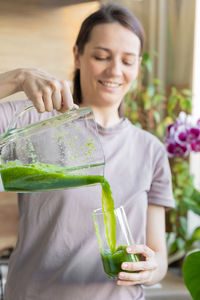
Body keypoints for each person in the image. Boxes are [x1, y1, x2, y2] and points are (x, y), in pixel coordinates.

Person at [0, 4, 174, 300]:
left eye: (128, 61)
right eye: (101, 56)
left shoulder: (151, 150)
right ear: (78, 55)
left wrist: (151, 267)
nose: (115, 71)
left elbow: (158, 255)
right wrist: (17, 78)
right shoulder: (33, 121)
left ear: (139, 66)